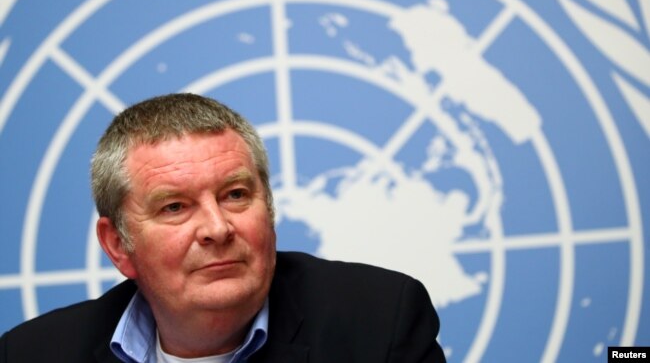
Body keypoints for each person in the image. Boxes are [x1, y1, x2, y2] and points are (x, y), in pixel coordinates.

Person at [0, 93, 445, 362]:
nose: (217, 228)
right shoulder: (31, 355)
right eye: (175, 207)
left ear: (267, 207)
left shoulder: (378, 324)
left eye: (235, 195)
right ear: (118, 245)